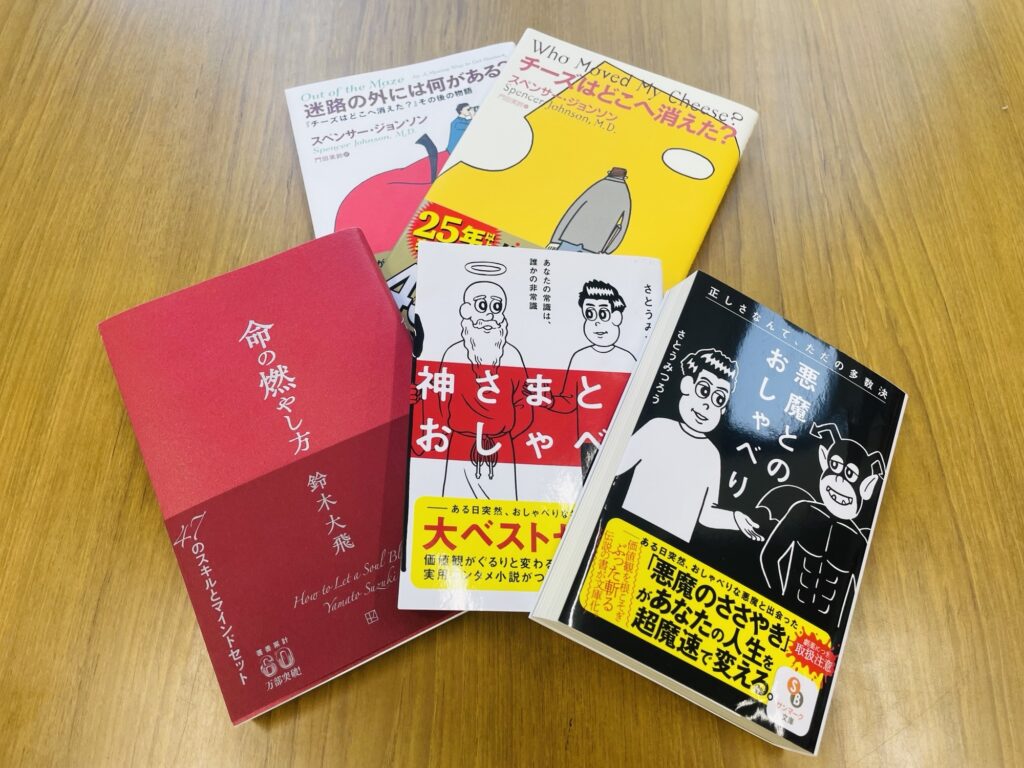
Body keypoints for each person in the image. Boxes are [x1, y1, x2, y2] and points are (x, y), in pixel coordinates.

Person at [616, 347, 762, 543]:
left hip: (668, 545)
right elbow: (614, 467)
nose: (707, 405)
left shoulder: (712, 456)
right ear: (687, 385)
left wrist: (735, 519)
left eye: (718, 399)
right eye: (704, 390)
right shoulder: (657, 428)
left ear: (724, 409)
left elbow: (706, 514)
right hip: (627, 528)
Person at [548, 280, 636, 476]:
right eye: (589, 314)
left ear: (617, 316)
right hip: (586, 441)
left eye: (603, 314)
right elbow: (568, 401)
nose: (596, 322)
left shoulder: (628, 358)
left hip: (621, 438)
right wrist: (548, 399)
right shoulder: (579, 358)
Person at [547, 167, 632, 253]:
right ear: (624, 177)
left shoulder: (597, 186)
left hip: (571, 239)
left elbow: (572, 211)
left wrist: (555, 240)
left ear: (609, 173)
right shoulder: (625, 195)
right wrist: (608, 251)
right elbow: (623, 226)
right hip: (595, 247)